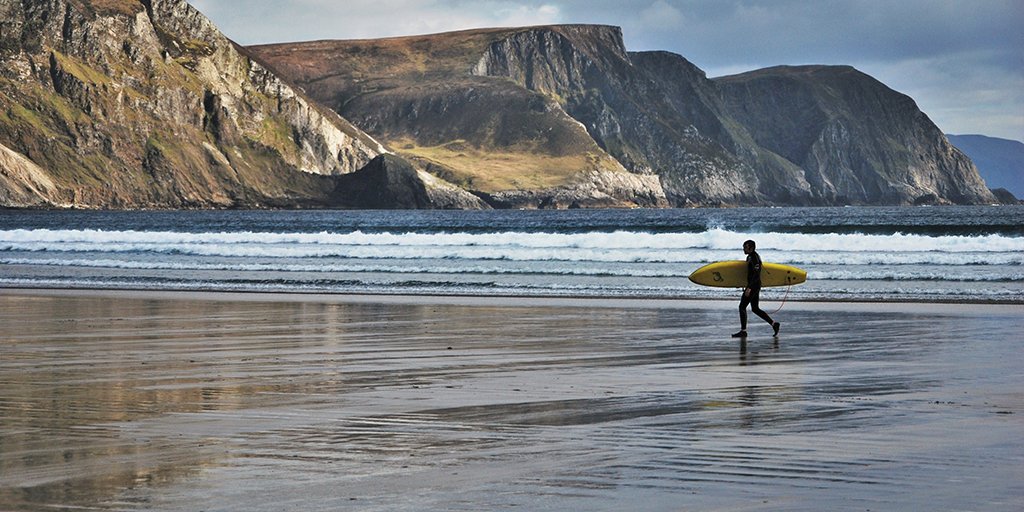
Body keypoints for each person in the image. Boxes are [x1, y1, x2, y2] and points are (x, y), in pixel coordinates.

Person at [732, 240, 780, 338]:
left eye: (745, 247)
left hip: (753, 286)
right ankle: (774, 324)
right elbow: (749, 273)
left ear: (751, 248)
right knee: (755, 309)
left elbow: (756, 274)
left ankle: (743, 331)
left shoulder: (754, 258)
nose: (743, 249)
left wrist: (749, 288)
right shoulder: (749, 257)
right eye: (743, 247)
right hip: (754, 285)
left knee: (742, 307)